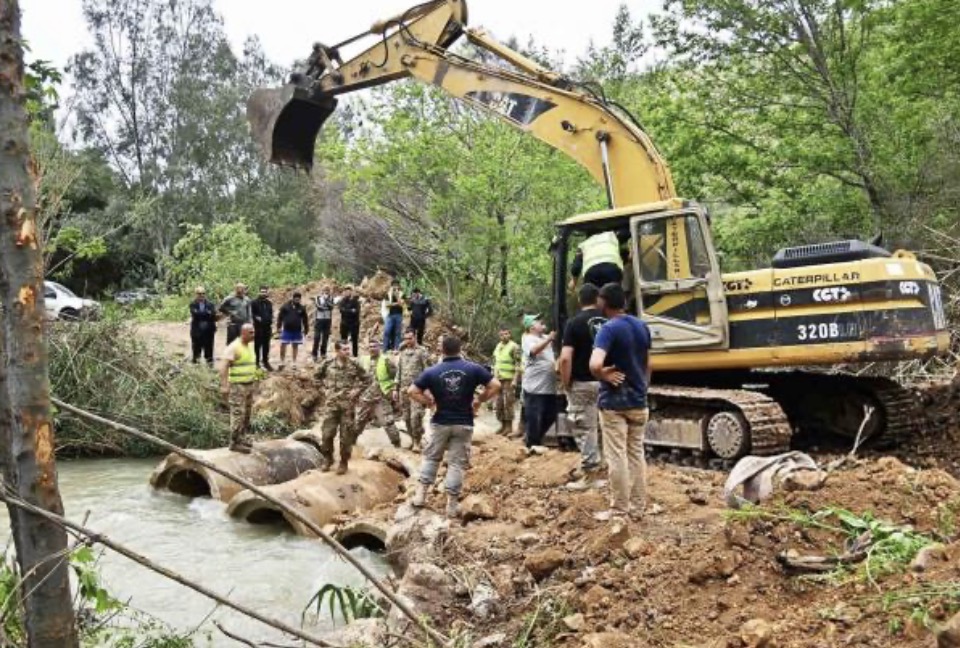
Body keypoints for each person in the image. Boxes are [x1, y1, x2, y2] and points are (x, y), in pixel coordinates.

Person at [409, 334, 500, 518]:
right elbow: (496, 385)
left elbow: (411, 391)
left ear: (442, 350)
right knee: (456, 464)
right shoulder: (473, 368)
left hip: (440, 422)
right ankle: (451, 507)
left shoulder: (432, 371)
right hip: (463, 422)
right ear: (460, 349)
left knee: (432, 458)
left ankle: (420, 497)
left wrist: (429, 402)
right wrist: (479, 400)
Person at [589, 282, 652, 521]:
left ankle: (619, 510)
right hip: (638, 400)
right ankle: (638, 508)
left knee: (617, 456)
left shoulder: (608, 329)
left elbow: (595, 364)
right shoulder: (642, 326)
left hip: (614, 404)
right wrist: (642, 387)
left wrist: (603, 374)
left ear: (603, 302)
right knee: (636, 454)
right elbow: (648, 363)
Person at [559, 283, 607, 487]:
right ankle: (604, 466)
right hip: (606, 381)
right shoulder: (609, 321)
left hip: (583, 383)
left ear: (580, 300)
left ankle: (590, 476)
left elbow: (565, 359)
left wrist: (566, 382)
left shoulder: (574, 323)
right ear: (597, 299)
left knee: (584, 427)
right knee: (603, 426)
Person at [314, 340, 370, 474]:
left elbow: (367, 379)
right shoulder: (327, 364)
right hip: (331, 406)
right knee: (327, 434)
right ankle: (328, 459)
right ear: (337, 351)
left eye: (348, 349)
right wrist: (324, 390)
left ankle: (344, 462)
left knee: (346, 437)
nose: (348, 352)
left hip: (348, 407)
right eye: (344, 349)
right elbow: (316, 378)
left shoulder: (354, 365)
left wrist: (357, 390)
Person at [219, 323, 259, 454]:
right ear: (243, 333)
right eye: (251, 333)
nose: (254, 335)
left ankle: (242, 438)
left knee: (247, 414)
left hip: (249, 385)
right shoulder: (234, 347)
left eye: (254, 332)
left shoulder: (249, 346)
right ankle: (234, 442)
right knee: (238, 414)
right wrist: (224, 386)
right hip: (238, 387)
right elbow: (223, 367)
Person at [356, 340, 402, 448]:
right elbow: (358, 377)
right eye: (370, 347)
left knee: (388, 421)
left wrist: (394, 390)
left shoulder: (386, 360)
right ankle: (351, 442)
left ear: (379, 347)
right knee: (359, 420)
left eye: (374, 346)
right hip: (366, 396)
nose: (372, 349)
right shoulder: (363, 360)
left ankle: (397, 444)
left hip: (381, 396)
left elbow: (395, 377)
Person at [521, 314, 557, 448]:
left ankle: (536, 439)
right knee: (534, 416)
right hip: (534, 386)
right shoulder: (527, 338)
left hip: (549, 385)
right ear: (531, 327)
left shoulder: (544, 337)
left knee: (551, 414)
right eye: (537, 320)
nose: (541, 321)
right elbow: (534, 350)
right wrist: (549, 339)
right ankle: (532, 443)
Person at [396, 328, 433, 452]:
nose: (408, 341)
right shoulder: (402, 351)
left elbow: (428, 371)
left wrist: (428, 389)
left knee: (415, 416)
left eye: (410, 338)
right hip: (403, 389)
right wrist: (396, 389)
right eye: (406, 338)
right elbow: (399, 371)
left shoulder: (422, 352)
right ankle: (413, 439)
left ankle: (417, 441)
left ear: (415, 337)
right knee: (406, 417)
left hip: (418, 391)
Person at [492, 326, 522, 436]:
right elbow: (495, 362)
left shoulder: (514, 347)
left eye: (506, 334)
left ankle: (509, 427)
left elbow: (518, 364)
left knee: (508, 402)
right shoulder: (498, 346)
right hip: (498, 379)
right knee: (499, 403)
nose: (504, 336)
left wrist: (515, 380)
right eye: (502, 334)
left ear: (510, 334)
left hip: (509, 379)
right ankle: (502, 426)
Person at [277, 292, 309, 370]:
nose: (297, 299)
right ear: (293, 298)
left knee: (295, 346)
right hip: (286, 329)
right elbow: (280, 317)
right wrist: (278, 327)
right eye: (296, 298)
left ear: (300, 299)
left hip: (297, 330)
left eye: (299, 298)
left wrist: (306, 329)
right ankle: (282, 361)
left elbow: (305, 319)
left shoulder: (302, 308)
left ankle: (294, 362)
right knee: (283, 345)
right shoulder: (285, 306)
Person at [188, 286, 216, 365]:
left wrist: (202, 314)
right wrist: (207, 313)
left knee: (209, 350)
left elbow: (213, 315)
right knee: (196, 350)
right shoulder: (193, 304)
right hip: (196, 331)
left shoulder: (210, 304)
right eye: (199, 294)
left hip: (209, 331)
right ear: (196, 294)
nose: (202, 295)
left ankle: (210, 368)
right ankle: (196, 368)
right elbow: (195, 314)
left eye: (203, 293)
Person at [250, 286, 274, 371]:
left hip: (267, 327)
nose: (263, 293)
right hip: (258, 327)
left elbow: (271, 314)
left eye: (265, 292)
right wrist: (256, 317)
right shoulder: (254, 302)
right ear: (259, 292)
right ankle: (256, 363)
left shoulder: (269, 303)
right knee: (257, 346)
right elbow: (251, 313)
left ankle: (265, 362)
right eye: (262, 291)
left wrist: (271, 321)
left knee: (266, 346)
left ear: (267, 293)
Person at [337, 287, 361, 357]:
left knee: (355, 340)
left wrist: (347, 310)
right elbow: (341, 310)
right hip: (345, 323)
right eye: (346, 291)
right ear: (344, 292)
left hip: (354, 323)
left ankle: (355, 355)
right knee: (343, 340)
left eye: (349, 291)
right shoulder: (342, 301)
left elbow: (357, 311)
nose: (348, 293)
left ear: (351, 292)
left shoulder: (355, 301)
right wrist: (351, 310)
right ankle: (344, 354)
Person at [312, 288, 335, 361]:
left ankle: (323, 353)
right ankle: (314, 354)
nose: (326, 292)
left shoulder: (331, 298)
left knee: (325, 338)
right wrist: (326, 304)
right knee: (317, 337)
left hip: (327, 320)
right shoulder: (318, 298)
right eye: (325, 290)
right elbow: (319, 307)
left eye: (327, 291)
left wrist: (326, 301)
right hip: (319, 319)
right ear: (322, 291)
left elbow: (331, 307)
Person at [382, 279, 405, 351]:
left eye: (396, 285)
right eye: (393, 285)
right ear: (391, 286)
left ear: (399, 286)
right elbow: (387, 305)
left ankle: (396, 348)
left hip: (399, 315)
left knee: (397, 332)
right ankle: (384, 349)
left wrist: (397, 296)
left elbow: (402, 304)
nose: (395, 287)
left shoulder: (402, 294)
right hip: (390, 315)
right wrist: (396, 303)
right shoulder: (388, 294)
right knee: (387, 331)